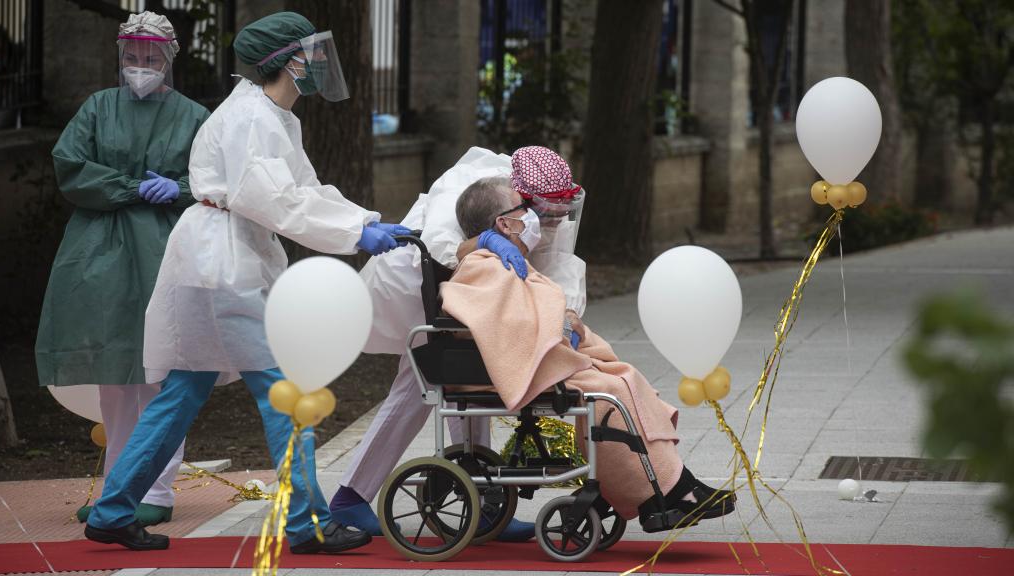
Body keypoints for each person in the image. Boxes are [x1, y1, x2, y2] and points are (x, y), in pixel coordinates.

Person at [84, 12, 408, 553]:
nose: (318, 61)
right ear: (285, 60)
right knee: (288, 392)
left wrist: (366, 222)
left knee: (181, 393)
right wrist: (356, 233)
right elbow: (275, 201)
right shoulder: (253, 119)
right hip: (224, 266)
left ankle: (114, 509)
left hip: (214, 261)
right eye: (309, 52)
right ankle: (306, 525)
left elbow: (304, 187)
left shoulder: (272, 116)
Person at [444, 177, 736, 528]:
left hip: (546, 359)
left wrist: (564, 323)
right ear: (503, 223)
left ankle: (672, 482)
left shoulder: (499, 257)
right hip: (526, 366)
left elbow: (523, 314)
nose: (532, 215)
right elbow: (507, 324)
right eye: (523, 209)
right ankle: (662, 491)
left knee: (625, 376)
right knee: (610, 394)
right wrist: (561, 325)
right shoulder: (486, 262)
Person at [328, 146, 587, 542]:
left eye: (559, 212)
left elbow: (555, 264)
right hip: (414, 284)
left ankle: (478, 498)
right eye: (547, 213)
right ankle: (364, 497)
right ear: (524, 200)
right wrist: (485, 239)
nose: (554, 221)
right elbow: (437, 242)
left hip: (466, 294)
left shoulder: (545, 203)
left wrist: (566, 314)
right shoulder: (474, 183)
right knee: (429, 382)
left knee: (457, 384)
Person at [35, 11, 209, 527]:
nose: (140, 67)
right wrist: (133, 188)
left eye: (151, 58)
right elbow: (70, 165)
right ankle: (118, 484)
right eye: (131, 58)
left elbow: (212, 178)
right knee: (115, 372)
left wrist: (176, 189)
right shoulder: (96, 108)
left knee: (162, 368)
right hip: (101, 253)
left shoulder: (195, 116)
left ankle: (156, 487)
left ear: (169, 60)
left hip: (165, 249)